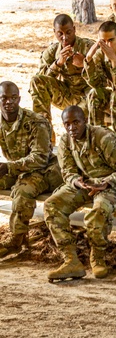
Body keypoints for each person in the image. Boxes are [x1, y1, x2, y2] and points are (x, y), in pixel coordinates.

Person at [43, 106, 116, 281]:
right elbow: (67, 171)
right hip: (85, 183)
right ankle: (71, 261)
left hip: (112, 184)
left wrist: (106, 183)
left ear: (85, 121)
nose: (71, 128)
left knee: (98, 210)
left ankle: (97, 257)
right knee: (52, 205)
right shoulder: (65, 141)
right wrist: (77, 181)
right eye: (67, 124)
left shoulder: (102, 137)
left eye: (76, 122)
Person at [0, 82, 63, 258]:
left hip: (44, 170)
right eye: (4, 98)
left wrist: (9, 167)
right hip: (18, 169)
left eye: (13, 98)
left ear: (19, 99)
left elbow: (40, 158)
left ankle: (16, 240)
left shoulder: (36, 122)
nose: (8, 102)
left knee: (22, 191)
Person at [30, 15, 95, 123]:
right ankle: (43, 127)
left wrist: (85, 64)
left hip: (88, 94)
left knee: (80, 116)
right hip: (65, 94)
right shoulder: (51, 52)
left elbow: (104, 75)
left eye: (68, 32)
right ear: (54, 32)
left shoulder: (88, 47)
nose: (64, 37)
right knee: (35, 81)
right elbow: (41, 80)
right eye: (60, 33)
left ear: (74, 30)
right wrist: (58, 63)